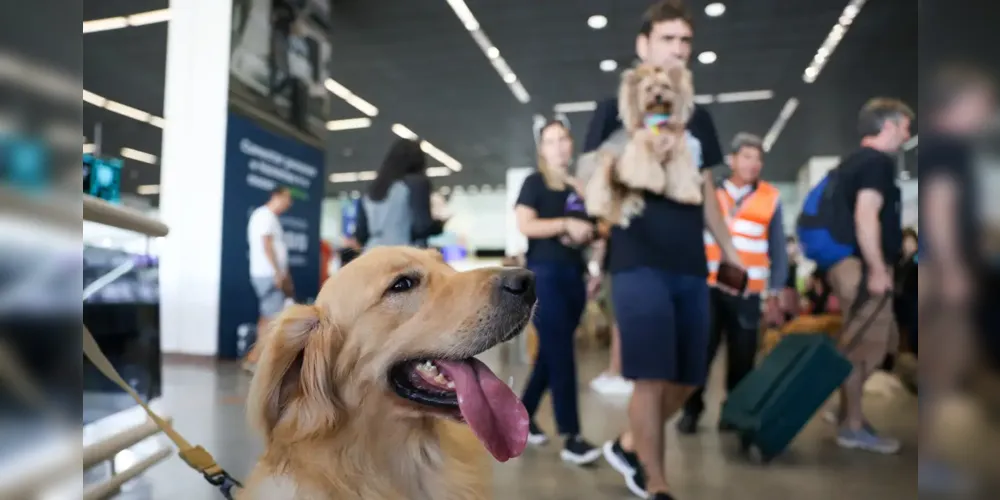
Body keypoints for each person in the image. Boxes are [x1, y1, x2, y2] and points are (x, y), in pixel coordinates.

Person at [585, 2, 744, 497]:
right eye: (667, 39)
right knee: (650, 375)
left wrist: (731, 249)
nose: (678, 49)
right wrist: (632, 149)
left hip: (690, 262)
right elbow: (590, 180)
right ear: (644, 45)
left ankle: (630, 443)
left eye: (684, 41)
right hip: (635, 260)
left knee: (691, 375)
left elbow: (708, 192)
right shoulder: (613, 109)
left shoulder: (700, 117)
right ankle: (656, 481)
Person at [678, 132, 788, 434]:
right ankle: (692, 410)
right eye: (747, 157)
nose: (753, 164)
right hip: (709, 286)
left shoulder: (771, 197)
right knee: (701, 352)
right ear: (733, 160)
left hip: (748, 291)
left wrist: (775, 291)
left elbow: (777, 248)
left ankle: (733, 412)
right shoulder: (711, 191)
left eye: (758, 159)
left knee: (743, 357)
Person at [918, 64, 995, 493]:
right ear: (958, 103)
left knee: (943, 367)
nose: (987, 111)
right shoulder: (948, 147)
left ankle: (932, 457)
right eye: (981, 102)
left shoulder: (945, 146)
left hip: (939, 269)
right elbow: (939, 205)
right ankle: (929, 462)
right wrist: (952, 269)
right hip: (942, 272)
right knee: (942, 367)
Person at [823, 97, 912, 455]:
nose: (907, 135)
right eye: (905, 127)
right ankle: (852, 426)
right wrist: (877, 268)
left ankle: (848, 413)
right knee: (865, 348)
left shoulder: (851, 163)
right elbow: (866, 215)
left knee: (872, 341)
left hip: (847, 265)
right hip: (862, 266)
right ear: (888, 126)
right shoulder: (876, 163)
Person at [515, 118, 604, 465]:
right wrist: (564, 224)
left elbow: (597, 228)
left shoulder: (580, 186)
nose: (559, 146)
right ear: (541, 148)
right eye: (550, 141)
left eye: (563, 139)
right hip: (545, 274)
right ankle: (572, 435)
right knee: (562, 353)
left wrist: (594, 261)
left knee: (551, 354)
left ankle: (522, 415)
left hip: (575, 276)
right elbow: (525, 224)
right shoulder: (534, 182)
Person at [355, 138, 447, 249]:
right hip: (403, 255)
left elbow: (361, 235)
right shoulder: (416, 183)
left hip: (372, 254)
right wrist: (439, 226)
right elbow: (421, 227)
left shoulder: (371, 190)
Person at [244, 186, 294, 371]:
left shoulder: (270, 218)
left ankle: (256, 358)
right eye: (287, 198)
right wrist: (276, 272)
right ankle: (255, 359)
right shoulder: (264, 216)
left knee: (268, 317)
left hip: (270, 274)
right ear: (276, 196)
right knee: (271, 318)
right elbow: (266, 245)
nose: (289, 204)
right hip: (267, 274)